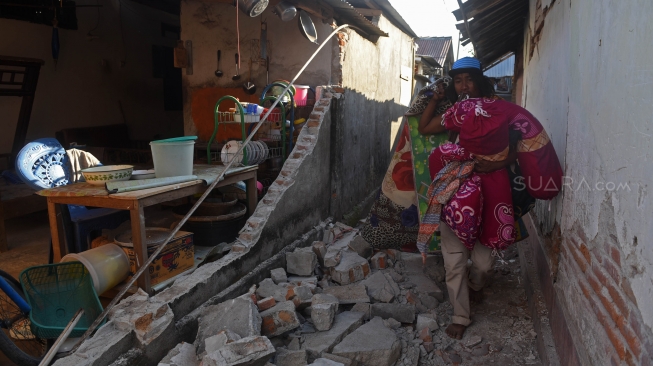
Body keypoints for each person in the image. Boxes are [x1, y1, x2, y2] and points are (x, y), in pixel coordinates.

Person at [417, 57, 563, 340]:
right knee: (455, 257)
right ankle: (461, 314)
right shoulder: (458, 111)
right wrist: (435, 100)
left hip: (494, 188)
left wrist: (494, 165)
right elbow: (425, 128)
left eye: (468, 79)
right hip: (457, 188)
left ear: (480, 79)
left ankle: (476, 283)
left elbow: (514, 150)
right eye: (458, 81)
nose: (463, 86)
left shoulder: (500, 110)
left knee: (483, 261)